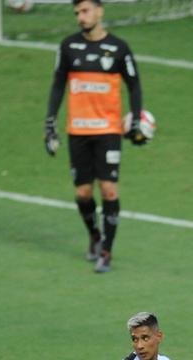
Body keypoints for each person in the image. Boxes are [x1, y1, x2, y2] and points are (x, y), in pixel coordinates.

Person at [44, 0, 147, 274]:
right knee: (83, 193)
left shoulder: (119, 48)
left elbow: (134, 85)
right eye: (77, 12)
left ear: (100, 11)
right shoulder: (68, 47)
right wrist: (50, 123)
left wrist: (135, 119)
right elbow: (57, 85)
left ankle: (106, 251)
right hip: (78, 131)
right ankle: (94, 234)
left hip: (108, 131)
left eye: (86, 10)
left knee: (110, 189)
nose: (81, 16)